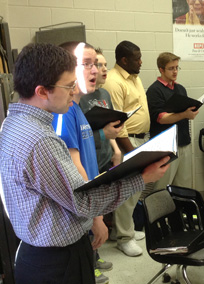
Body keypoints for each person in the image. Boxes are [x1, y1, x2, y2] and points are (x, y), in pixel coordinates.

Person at [0, 43, 170, 284]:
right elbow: (84, 202)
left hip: (39, 253)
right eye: (69, 86)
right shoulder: (41, 140)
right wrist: (142, 178)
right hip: (57, 262)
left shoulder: (13, 122)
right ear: (42, 91)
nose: (73, 91)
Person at [52, 42, 120, 283]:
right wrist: (96, 217)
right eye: (87, 64)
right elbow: (73, 167)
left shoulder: (77, 107)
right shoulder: (64, 111)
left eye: (97, 64)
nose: (95, 71)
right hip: (78, 217)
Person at [102, 40, 150, 257]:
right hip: (127, 142)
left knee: (134, 190)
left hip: (139, 139)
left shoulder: (133, 77)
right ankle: (124, 238)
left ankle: (123, 229)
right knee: (127, 191)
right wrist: (131, 150)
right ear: (123, 60)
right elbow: (117, 122)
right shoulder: (113, 81)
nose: (141, 62)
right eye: (137, 58)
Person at [146, 52, 198, 191]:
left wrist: (191, 112)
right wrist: (184, 114)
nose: (175, 71)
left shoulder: (180, 89)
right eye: (171, 68)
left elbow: (184, 113)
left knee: (183, 186)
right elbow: (161, 119)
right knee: (162, 187)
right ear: (161, 69)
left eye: (177, 67)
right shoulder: (154, 90)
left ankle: (179, 212)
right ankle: (161, 213)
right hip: (165, 147)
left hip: (183, 142)